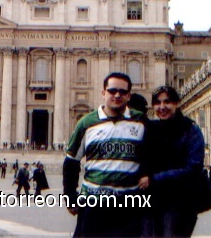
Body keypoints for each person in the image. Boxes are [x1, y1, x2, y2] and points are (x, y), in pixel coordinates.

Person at [63, 72, 148, 237]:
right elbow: (71, 162)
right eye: (112, 91)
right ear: (103, 93)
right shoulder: (86, 123)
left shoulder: (141, 122)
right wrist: (70, 197)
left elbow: (151, 155)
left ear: (129, 96)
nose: (117, 95)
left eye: (122, 92)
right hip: (93, 205)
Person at [139, 85, 205, 237]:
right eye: (158, 103)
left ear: (176, 103)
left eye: (167, 102)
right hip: (151, 203)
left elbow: (193, 168)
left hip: (180, 203)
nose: (162, 107)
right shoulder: (151, 128)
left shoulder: (191, 130)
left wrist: (154, 179)